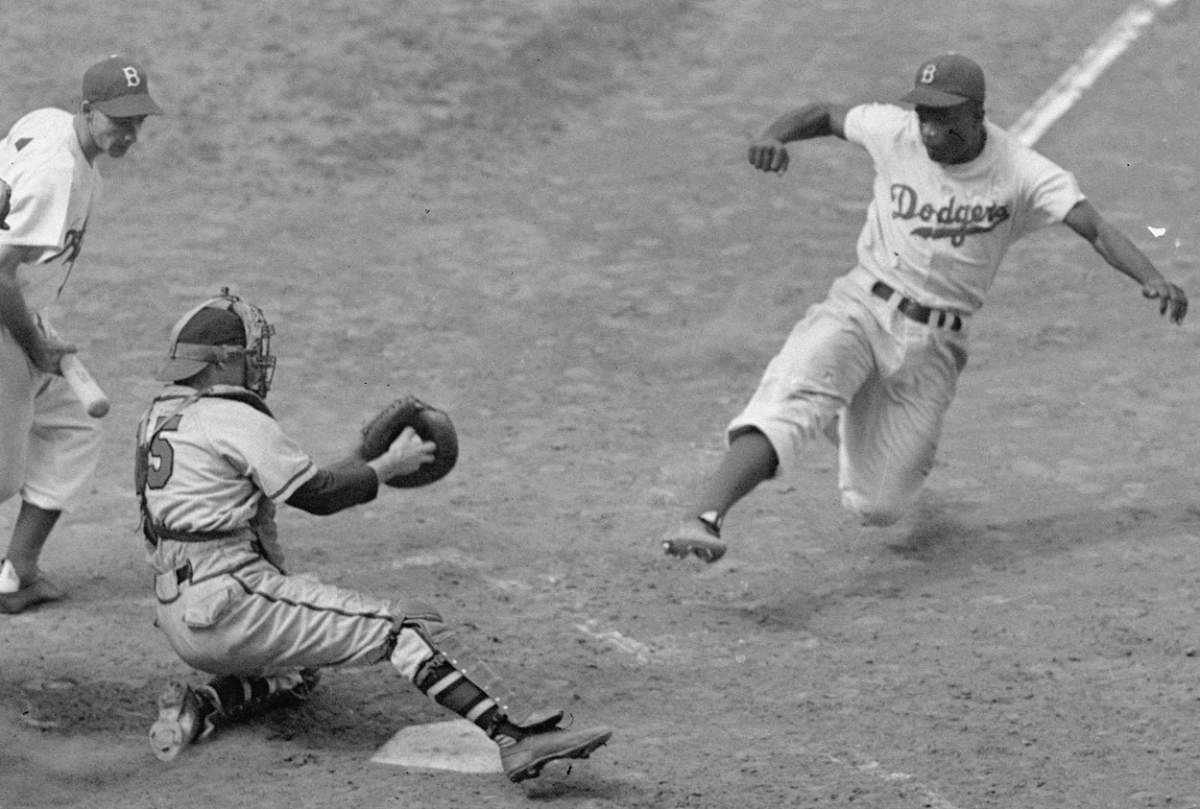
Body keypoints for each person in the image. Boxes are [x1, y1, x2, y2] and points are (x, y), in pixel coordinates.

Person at [661, 52, 1188, 564]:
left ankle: (846, 413)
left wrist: (1151, 276)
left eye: (945, 118)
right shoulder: (895, 132)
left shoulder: (1023, 171)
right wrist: (773, 135)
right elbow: (824, 114)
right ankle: (704, 518)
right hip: (861, 308)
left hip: (935, 347)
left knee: (878, 506)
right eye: (925, 115)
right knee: (790, 402)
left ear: (978, 114)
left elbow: (1094, 228)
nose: (931, 130)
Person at [136, 290, 612, 782]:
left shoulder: (159, 418)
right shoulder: (231, 416)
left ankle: (203, 705)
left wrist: (362, 458)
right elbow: (318, 496)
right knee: (409, 627)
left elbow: (291, 483)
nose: (256, 365)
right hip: (234, 603)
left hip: (182, 613)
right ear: (220, 362)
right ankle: (516, 735)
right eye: (246, 356)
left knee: (299, 667)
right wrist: (386, 467)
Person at [0, 54, 163, 612]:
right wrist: (36, 346)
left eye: (138, 121)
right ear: (89, 110)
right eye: (120, 122)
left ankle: (16, 575)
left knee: (73, 425)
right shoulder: (58, 174)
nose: (130, 135)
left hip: (18, 311)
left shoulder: (47, 123)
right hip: (5, 317)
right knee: (0, 477)